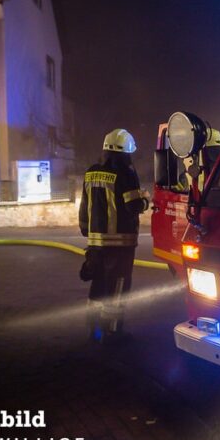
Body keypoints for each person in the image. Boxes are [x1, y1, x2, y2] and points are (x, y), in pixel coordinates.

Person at [79, 129, 149, 340]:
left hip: (95, 243)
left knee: (98, 284)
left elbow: (84, 206)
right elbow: (133, 206)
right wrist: (146, 199)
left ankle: (93, 328)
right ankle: (113, 330)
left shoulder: (91, 172)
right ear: (125, 152)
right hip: (120, 244)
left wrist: (86, 230)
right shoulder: (126, 174)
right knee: (117, 286)